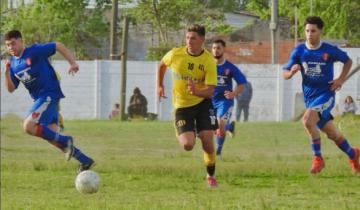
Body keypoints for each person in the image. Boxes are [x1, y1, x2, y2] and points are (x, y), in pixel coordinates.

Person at [4, 30, 94, 172]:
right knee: (54, 138)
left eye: (13, 44)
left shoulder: (34, 51)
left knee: (28, 126)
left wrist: (73, 63)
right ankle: (85, 161)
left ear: (21, 41)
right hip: (41, 99)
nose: (10, 48)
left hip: (49, 94)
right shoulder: (14, 65)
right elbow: (11, 88)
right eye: (8, 45)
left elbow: (57, 45)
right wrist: (6, 73)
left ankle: (67, 141)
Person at [283, 16, 359, 174]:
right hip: (310, 99)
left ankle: (318, 158)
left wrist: (340, 79)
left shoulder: (328, 50)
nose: (309, 34)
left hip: (326, 95)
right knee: (333, 134)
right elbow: (285, 72)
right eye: (307, 31)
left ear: (320, 31)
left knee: (306, 120)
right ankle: (353, 154)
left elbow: (348, 61)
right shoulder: (299, 51)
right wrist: (291, 72)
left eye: (313, 31)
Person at [157, 24, 219, 187]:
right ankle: (184, 129)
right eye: (187, 37)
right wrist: (160, 85)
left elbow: (210, 92)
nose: (189, 41)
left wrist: (196, 91)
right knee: (187, 145)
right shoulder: (175, 54)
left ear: (202, 40)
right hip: (182, 107)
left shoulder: (208, 61)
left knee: (207, 140)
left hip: (202, 104)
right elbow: (162, 65)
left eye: (193, 38)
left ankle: (210, 176)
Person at [211, 39, 247, 157]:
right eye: (214, 48)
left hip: (225, 101)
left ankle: (218, 152)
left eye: (218, 48)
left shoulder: (230, 67)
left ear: (224, 49)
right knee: (211, 127)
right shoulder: (207, 65)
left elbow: (242, 84)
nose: (216, 51)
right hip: (209, 101)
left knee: (220, 123)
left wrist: (233, 94)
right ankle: (229, 127)